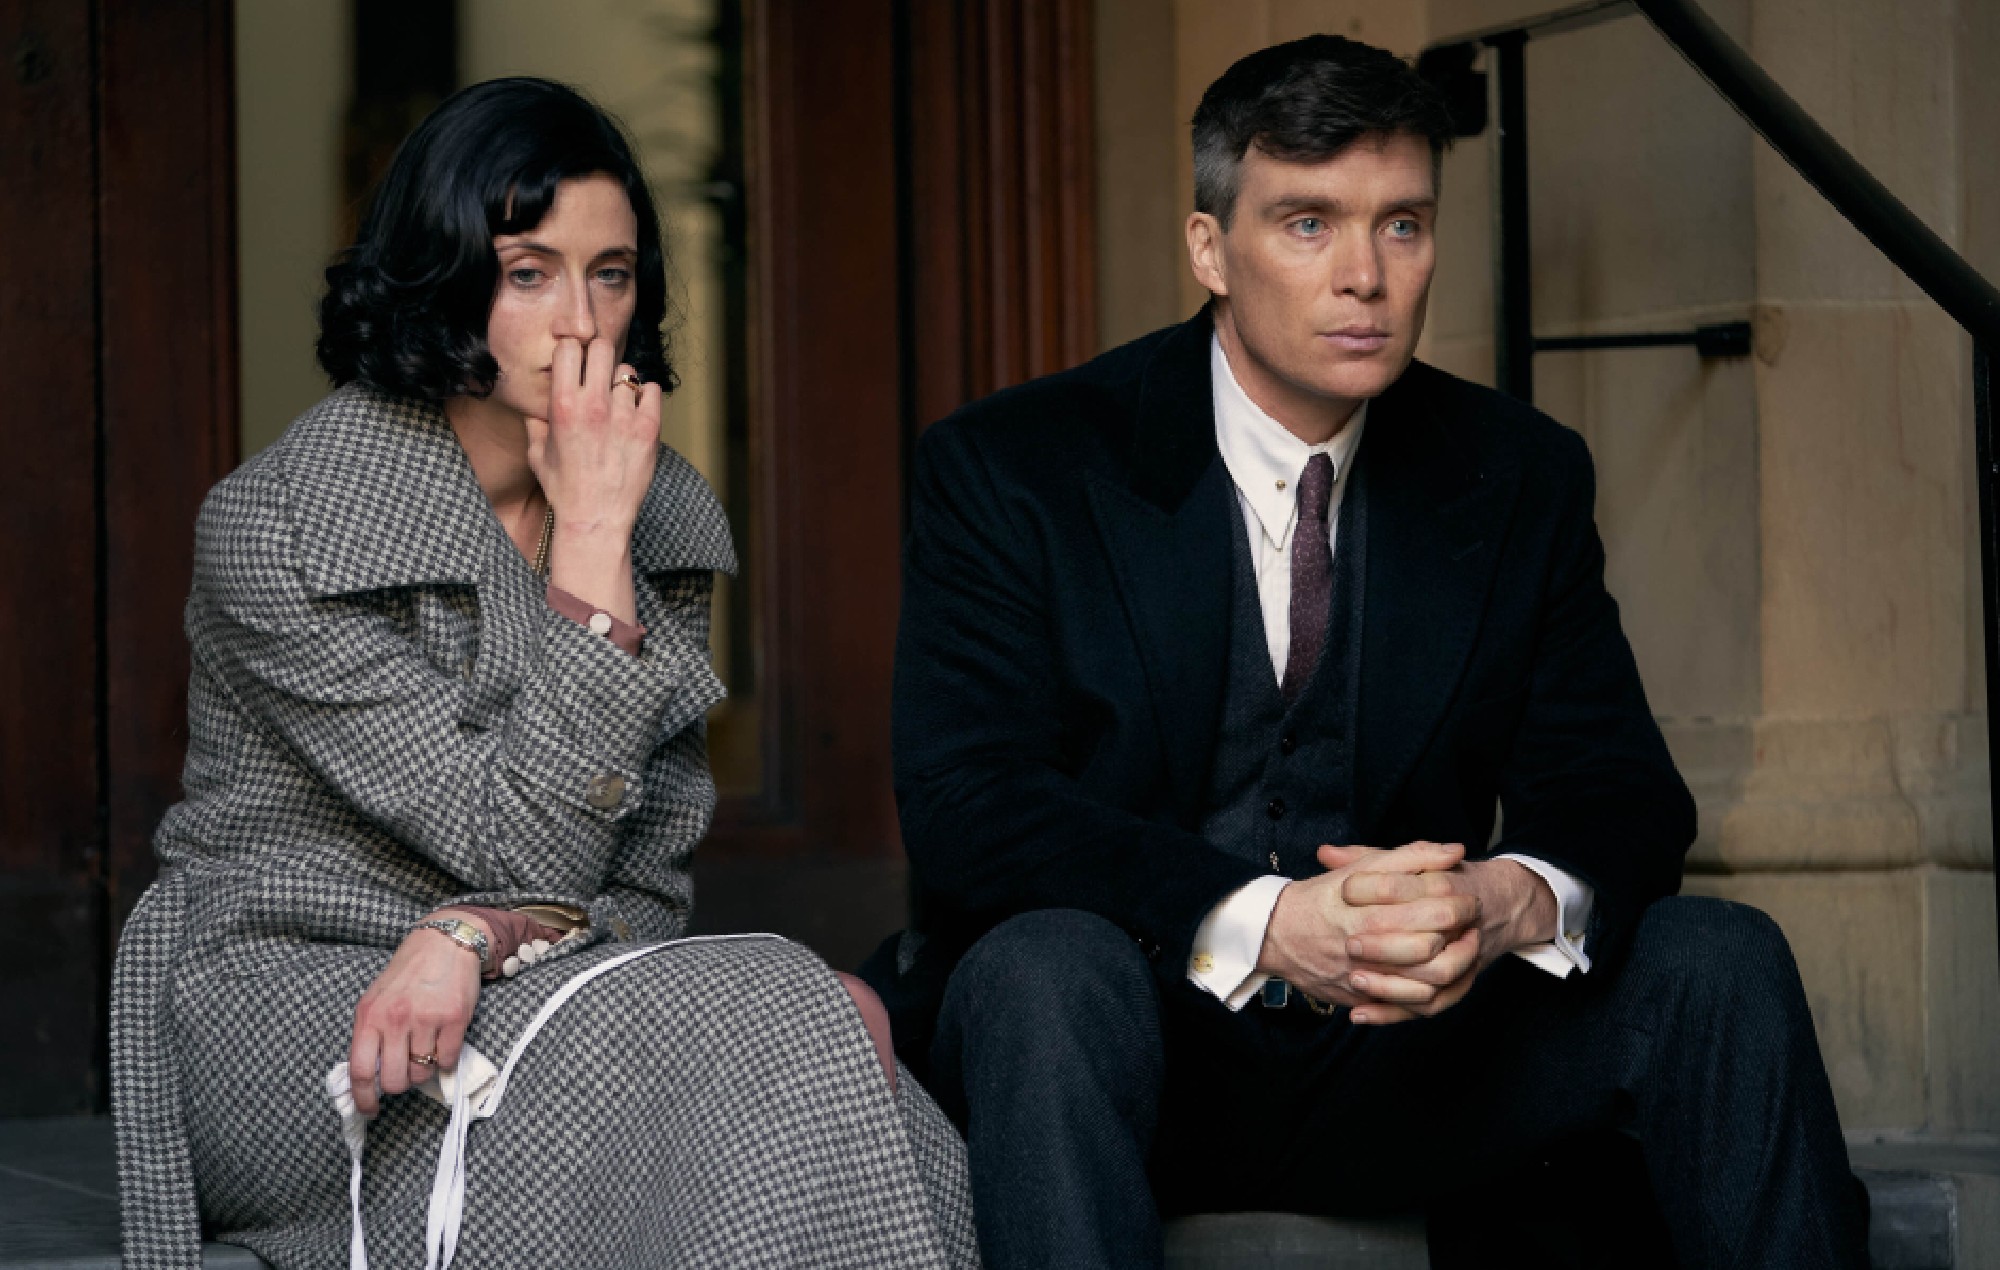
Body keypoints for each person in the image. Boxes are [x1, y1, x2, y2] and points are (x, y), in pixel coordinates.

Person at [874, 34, 1868, 1269]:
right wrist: (1262, 919)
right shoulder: (1013, 466)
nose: (1364, 276)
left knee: (1718, 956)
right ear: (1208, 250)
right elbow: (967, 804)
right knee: (1038, 968)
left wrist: (1502, 903)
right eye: (1307, 224)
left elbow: (1618, 792)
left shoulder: (1515, 473)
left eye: (1401, 225)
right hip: (1136, 1045)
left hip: (1416, 1059)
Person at [112, 77, 976, 1270]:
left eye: (610, 274)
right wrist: (589, 550)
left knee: (849, 1083)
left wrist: (478, 932)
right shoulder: (283, 527)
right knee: (785, 1027)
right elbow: (505, 840)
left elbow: (647, 888)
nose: (580, 321)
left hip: (544, 978)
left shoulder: (659, 511)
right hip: (307, 1003)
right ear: (441, 277)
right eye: (528, 272)